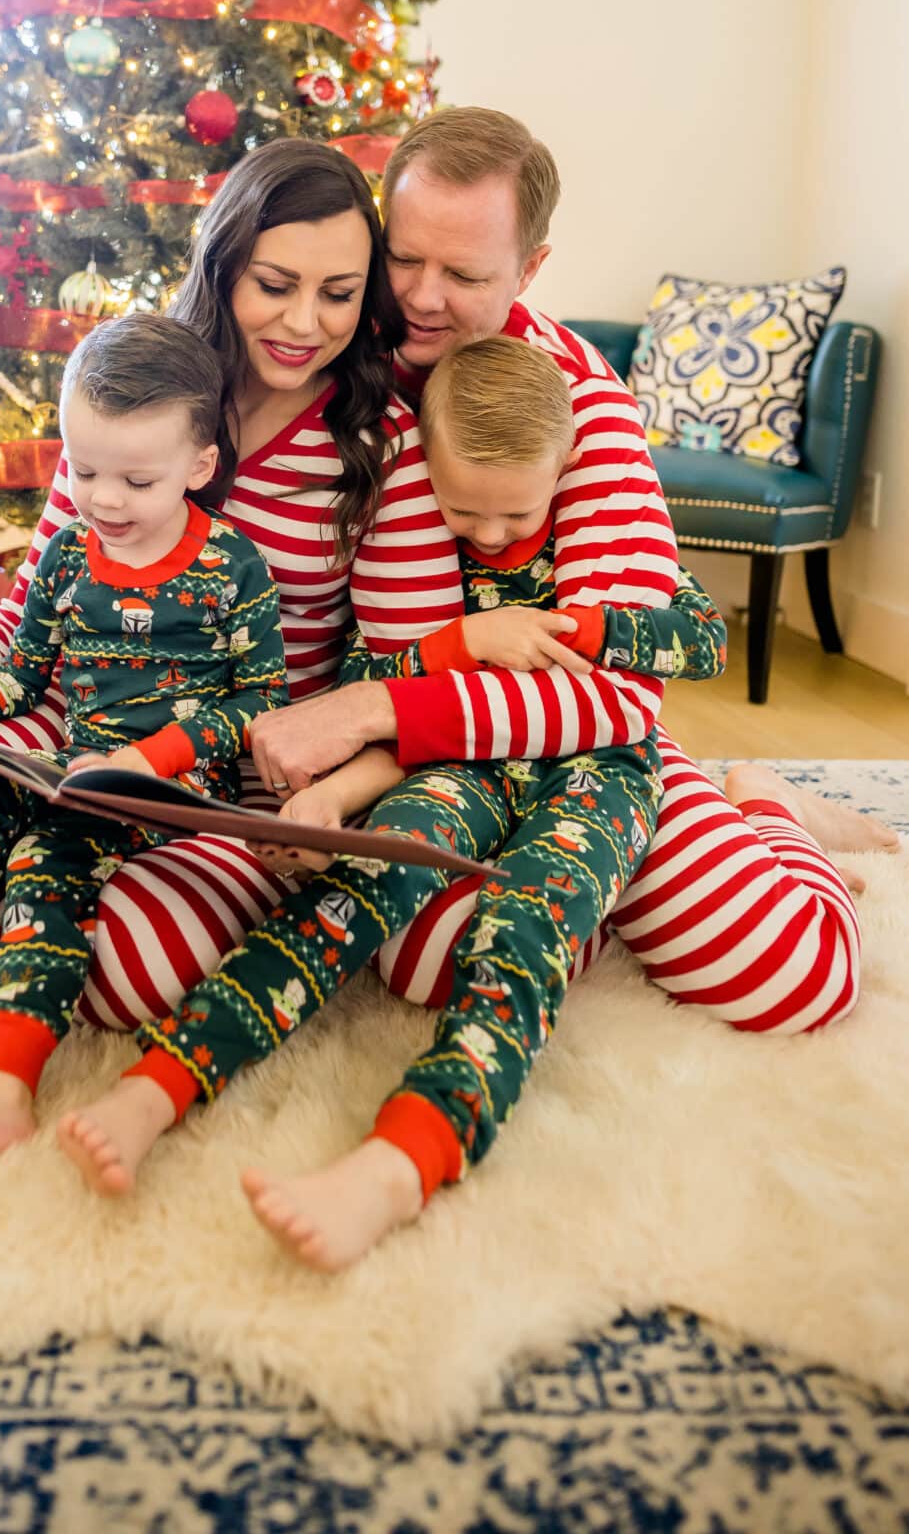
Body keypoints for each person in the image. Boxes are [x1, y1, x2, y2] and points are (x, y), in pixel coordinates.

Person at [0, 140, 468, 1024]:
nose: (304, 322)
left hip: (224, 774)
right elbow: (26, 621)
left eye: (339, 294)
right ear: (223, 266)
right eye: (274, 286)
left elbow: (411, 670)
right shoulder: (134, 388)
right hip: (61, 730)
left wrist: (330, 787)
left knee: (133, 967)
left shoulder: (381, 445)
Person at [56, 336, 724, 1241]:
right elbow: (390, 683)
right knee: (348, 893)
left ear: (562, 469)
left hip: (597, 776)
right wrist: (339, 795)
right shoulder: (432, 560)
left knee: (522, 932)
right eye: (462, 513)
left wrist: (573, 625)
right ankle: (158, 1085)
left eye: (513, 514)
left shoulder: (607, 552)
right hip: (454, 766)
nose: (488, 537)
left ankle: (407, 1156)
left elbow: (700, 642)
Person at [245, 108, 881, 1035]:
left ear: (529, 271)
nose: (421, 298)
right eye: (405, 258)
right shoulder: (332, 360)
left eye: (463, 275)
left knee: (788, 975)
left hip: (582, 747)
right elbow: (395, 642)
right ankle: (571, 904)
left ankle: (764, 801)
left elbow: (623, 693)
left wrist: (370, 709)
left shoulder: (584, 404)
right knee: (424, 961)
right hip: (430, 751)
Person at [0, 313, 287, 1182]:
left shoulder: (232, 568)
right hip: (69, 762)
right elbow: (17, 681)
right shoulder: (62, 558)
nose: (105, 499)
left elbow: (255, 701)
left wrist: (148, 760)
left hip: (166, 790)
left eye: (136, 478)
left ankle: (2, 1083)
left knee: (48, 856)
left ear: (199, 469)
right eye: (83, 470)